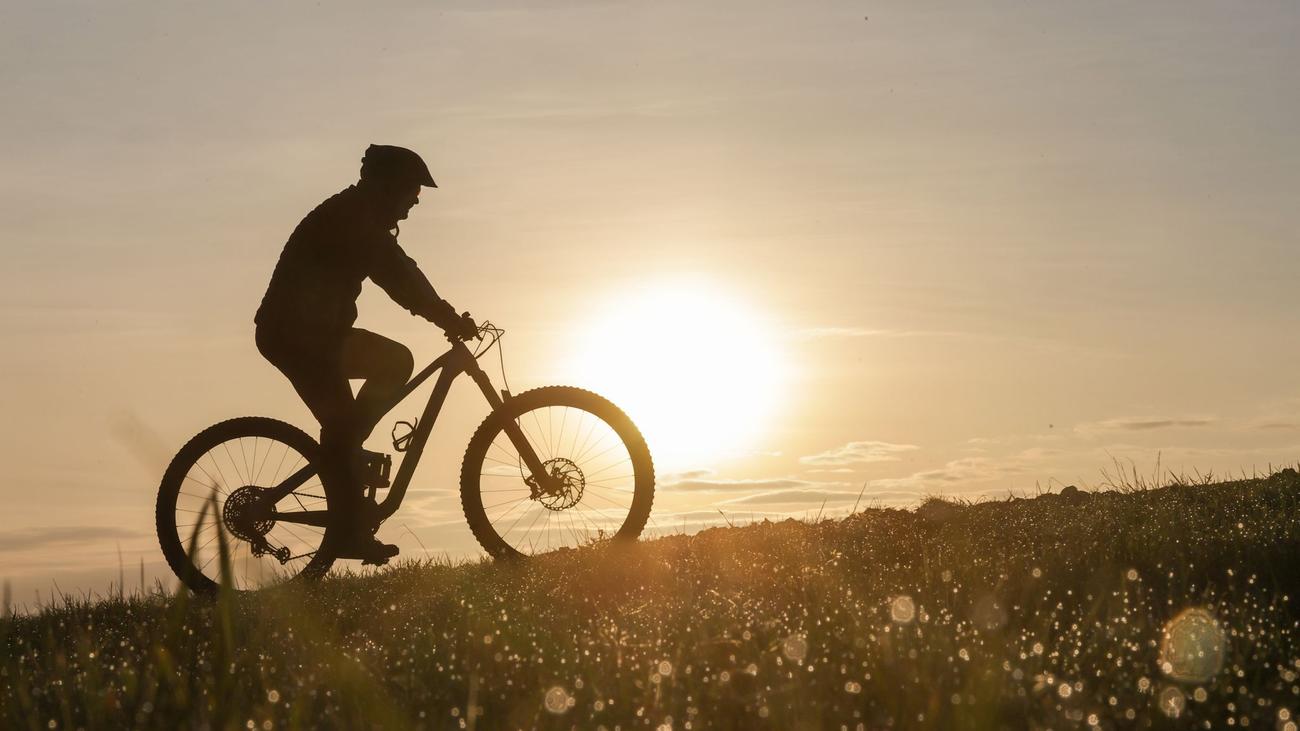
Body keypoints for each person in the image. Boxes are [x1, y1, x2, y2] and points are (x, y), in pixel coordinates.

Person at [254, 144, 475, 564]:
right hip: (298, 336)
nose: (412, 205)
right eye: (411, 193)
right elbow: (398, 276)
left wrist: (444, 314)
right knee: (381, 379)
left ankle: (346, 476)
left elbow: (401, 268)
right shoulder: (354, 219)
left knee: (369, 396)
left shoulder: (359, 215)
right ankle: (347, 511)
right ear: (387, 186)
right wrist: (447, 318)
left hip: (314, 335)